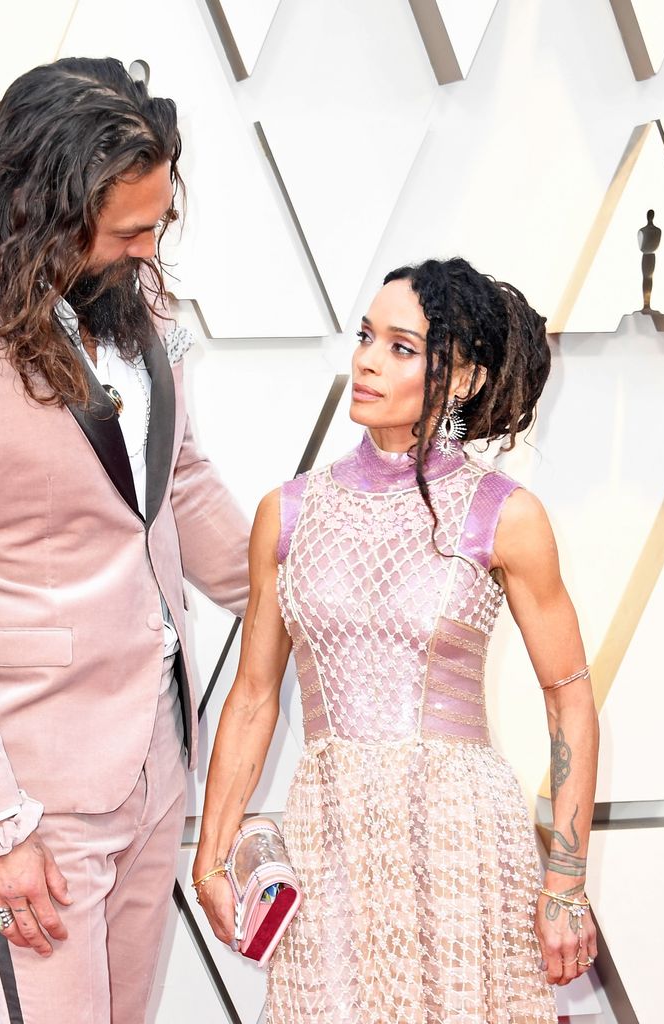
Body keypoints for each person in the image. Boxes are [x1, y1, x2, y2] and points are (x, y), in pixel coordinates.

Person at [0, 58, 250, 1024]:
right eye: (128, 231)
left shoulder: (130, 304)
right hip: (40, 788)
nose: (150, 252)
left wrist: (300, 597)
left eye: (158, 225)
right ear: (41, 209)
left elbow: (176, 481)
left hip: (158, 752)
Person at [193, 258, 600, 1022]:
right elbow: (253, 696)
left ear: (465, 379)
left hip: (462, 845)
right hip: (329, 836)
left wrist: (567, 884)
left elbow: (569, 700)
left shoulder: (504, 514)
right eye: (365, 337)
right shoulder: (286, 513)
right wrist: (213, 853)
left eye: (401, 347)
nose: (367, 360)